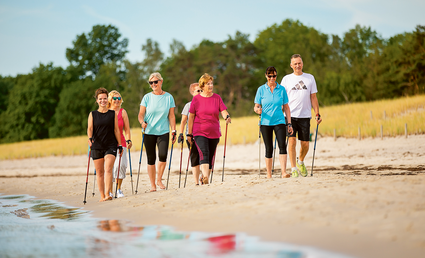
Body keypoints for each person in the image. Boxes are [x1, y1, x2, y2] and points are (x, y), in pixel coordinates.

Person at [281, 54, 322, 177]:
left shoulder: (310, 78)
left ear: (302, 63)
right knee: (292, 141)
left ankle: (300, 161)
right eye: (295, 64)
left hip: (305, 116)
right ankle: (293, 168)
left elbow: (313, 97)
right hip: (290, 116)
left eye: (299, 63)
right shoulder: (286, 79)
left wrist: (317, 113)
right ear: (291, 65)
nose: (297, 65)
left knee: (305, 144)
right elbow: (282, 98)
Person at [187, 73, 231, 185]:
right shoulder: (196, 99)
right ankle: (205, 177)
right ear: (202, 86)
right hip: (199, 131)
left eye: (211, 83)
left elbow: (223, 110)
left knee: (211, 156)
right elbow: (191, 117)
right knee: (204, 153)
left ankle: (205, 177)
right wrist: (189, 133)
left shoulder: (217, 98)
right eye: (208, 84)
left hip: (214, 132)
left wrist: (227, 116)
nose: (210, 85)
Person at [138, 72, 177, 192]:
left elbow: (171, 116)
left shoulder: (168, 97)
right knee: (151, 158)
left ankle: (159, 179)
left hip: (163, 131)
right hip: (149, 131)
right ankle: (152, 185)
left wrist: (174, 130)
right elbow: (140, 114)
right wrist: (141, 122)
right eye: (151, 83)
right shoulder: (147, 97)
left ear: (161, 81)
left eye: (155, 82)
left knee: (163, 155)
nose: (153, 84)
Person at [254, 66, 293, 178]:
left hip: (279, 121)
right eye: (269, 76)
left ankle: (284, 172)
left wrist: (289, 123)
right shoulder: (261, 89)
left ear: (276, 76)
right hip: (265, 122)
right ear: (266, 76)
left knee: (282, 145)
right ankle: (269, 174)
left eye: (274, 76)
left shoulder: (281, 89)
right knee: (269, 148)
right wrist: (258, 110)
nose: (272, 78)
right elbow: (256, 106)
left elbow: (286, 108)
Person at [87, 88, 123, 202]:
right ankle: (102, 196)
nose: (103, 101)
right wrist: (89, 138)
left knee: (108, 169)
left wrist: (120, 145)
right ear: (97, 100)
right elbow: (90, 128)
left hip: (110, 145)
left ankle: (108, 193)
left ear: (107, 99)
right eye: (100, 99)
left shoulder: (112, 114)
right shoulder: (92, 114)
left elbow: (116, 130)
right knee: (100, 172)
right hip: (97, 145)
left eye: (105, 98)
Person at [108, 90, 132, 198]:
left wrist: (129, 140)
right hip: (108, 143)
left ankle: (118, 189)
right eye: (115, 98)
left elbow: (127, 129)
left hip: (121, 142)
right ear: (110, 99)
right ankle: (109, 190)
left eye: (119, 98)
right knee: (110, 168)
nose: (117, 100)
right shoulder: (106, 111)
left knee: (121, 165)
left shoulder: (123, 112)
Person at [178, 83, 202, 185]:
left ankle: (204, 176)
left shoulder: (205, 104)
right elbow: (183, 121)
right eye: (198, 91)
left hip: (203, 134)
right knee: (194, 157)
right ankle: (196, 181)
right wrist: (181, 134)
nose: (200, 92)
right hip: (191, 135)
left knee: (204, 156)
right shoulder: (188, 105)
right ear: (192, 93)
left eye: (201, 90)